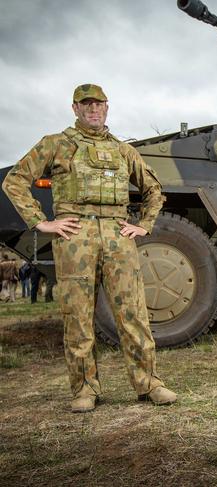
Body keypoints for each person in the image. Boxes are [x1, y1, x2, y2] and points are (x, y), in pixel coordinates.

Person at [2, 83, 177, 413]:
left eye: (99, 104)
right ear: (75, 109)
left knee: (134, 314)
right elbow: (14, 181)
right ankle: (84, 388)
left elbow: (154, 189)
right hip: (74, 236)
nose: (93, 109)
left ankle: (149, 382)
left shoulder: (124, 151)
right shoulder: (56, 144)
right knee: (78, 316)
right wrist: (41, 221)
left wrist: (143, 224)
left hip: (118, 235)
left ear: (107, 108)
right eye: (87, 104)